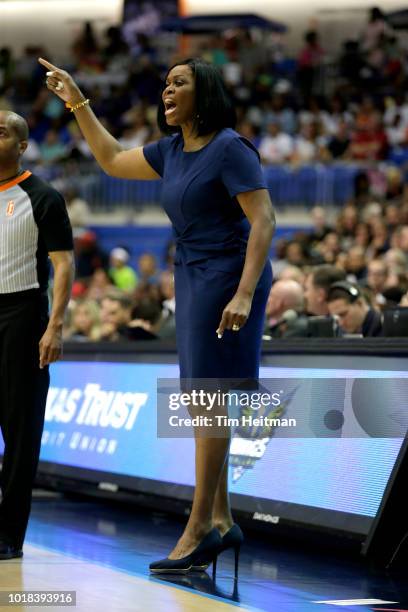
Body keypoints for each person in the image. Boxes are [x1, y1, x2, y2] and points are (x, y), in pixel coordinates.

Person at [39, 56, 275, 576]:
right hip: (192, 274)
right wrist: (77, 101)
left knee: (208, 397)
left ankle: (197, 531)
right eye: (165, 83)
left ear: (204, 92)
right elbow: (111, 159)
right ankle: (221, 518)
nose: (167, 90)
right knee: (202, 401)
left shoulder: (230, 147)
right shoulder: (171, 151)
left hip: (228, 277)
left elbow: (265, 220)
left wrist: (244, 292)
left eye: (179, 83)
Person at [0, 110, 74, 559]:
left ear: (22, 145)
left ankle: (8, 534)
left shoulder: (42, 196)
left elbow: (64, 265)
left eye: (1, 132)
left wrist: (55, 325)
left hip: (22, 314)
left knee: (20, 431)